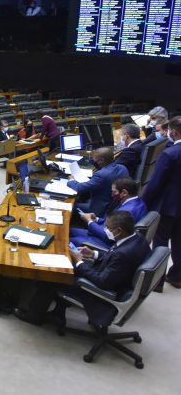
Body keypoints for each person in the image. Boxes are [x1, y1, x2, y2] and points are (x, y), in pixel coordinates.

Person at [14, 211, 150, 328]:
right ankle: (58, 314)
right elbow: (113, 259)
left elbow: (102, 281)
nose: (106, 229)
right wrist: (93, 254)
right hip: (113, 277)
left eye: (108, 227)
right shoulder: (137, 238)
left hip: (103, 292)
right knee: (67, 266)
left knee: (53, 276)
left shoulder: (123, 254)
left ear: (119, 230)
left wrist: (79, 261)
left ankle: (33, 317)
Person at [142, 116, 181, 288]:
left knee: (160, 243)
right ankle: (176, 277)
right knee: (179, 241)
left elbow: (156, 183)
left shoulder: (170, 153)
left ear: (174, 131)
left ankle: (156, 282)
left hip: (167, 206)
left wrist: (143, 201)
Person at [72, 177, 147, 248]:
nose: (112, 195)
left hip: (108, 242)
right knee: (70, 231)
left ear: (124, 192)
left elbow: (108, 236)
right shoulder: (139, 202)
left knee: (69, 241)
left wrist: (89, 221)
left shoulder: (126, 211)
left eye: (114, 192)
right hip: (105, 230)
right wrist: (96, 219)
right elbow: (114, 222)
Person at [67, 147, 129, 215]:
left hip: (99, 209)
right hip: (113, 205)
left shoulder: (101, 175)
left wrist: (71, 180)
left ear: (101, 160)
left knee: (72, 205)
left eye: (94, 157)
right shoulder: (123, 168)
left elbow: (80, 188)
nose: (93, 159)